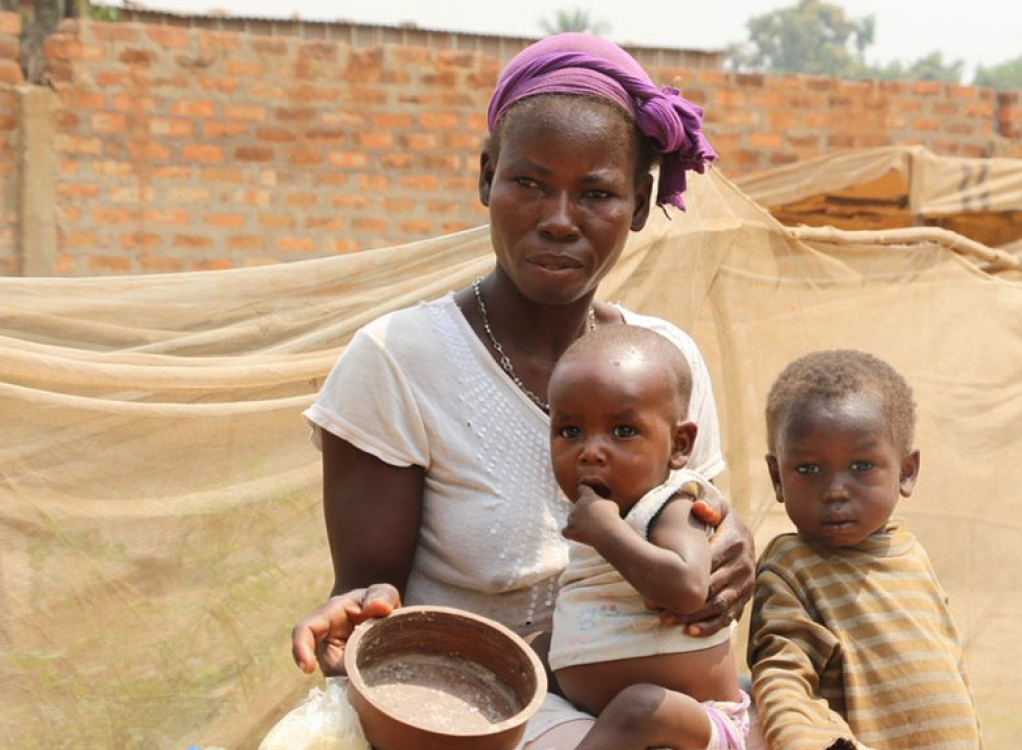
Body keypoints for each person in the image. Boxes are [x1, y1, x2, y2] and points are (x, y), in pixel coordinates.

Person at [288, 33, 756, 750]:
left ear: (639, 203)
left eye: (596, 193)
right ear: (485, 178)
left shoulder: (662, 365)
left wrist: (730, 547)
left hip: (659, 712)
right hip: (470, 713)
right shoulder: (400, 362)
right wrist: (358, 613)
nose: (559, 218)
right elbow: (371, 597)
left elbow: (692, 522)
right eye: (529, 183)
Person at [748, 350, 983, 750]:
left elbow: (952, 674)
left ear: (906, 471)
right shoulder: (792, 565)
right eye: (808, 469)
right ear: (777, 477)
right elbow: (782, 673)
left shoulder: (911, 555)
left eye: (861, 466)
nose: (836, 490)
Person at [547, 324, 749, 750]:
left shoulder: (673, 503)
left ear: (679, 444)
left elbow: (688, 588)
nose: (591, 451)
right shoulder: (605, 516)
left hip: (692, 722)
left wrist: (606, 532)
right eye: (569, 432)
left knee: (637, 707)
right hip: (598, 716)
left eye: (623, 432)